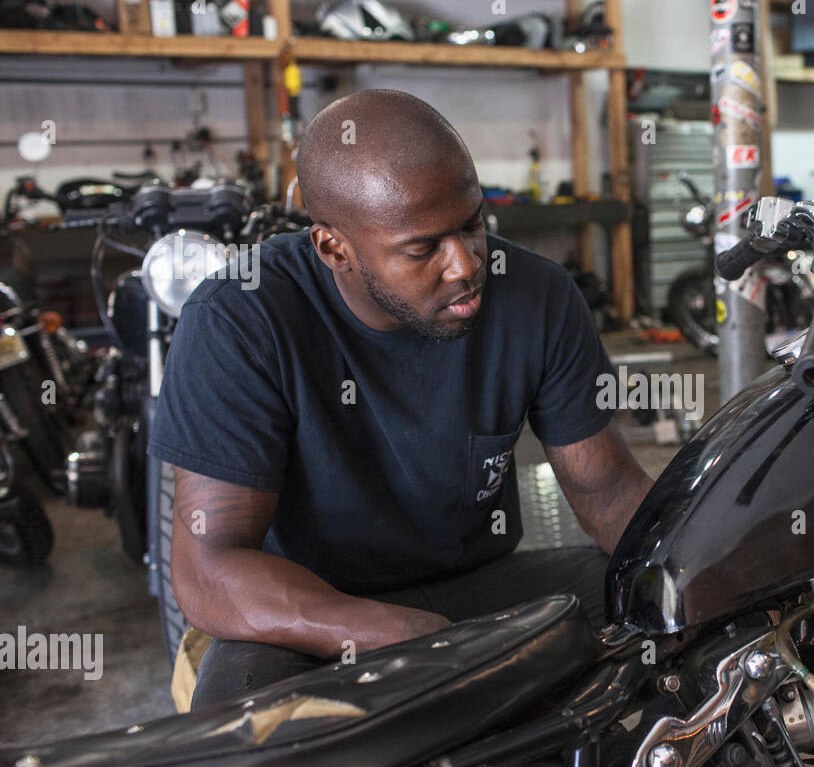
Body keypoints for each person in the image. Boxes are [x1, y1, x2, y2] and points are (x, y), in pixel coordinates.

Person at [148, 89, 653, 708]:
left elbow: (608, 492)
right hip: (311, 611)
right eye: (423, 248)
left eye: (473, 225)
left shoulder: (537, 297)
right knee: (250, 745)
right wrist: (398, 635)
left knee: (667, 619)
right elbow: (209, 567)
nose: (465, 265)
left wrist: (702, 564)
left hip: (478, 585)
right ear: (334, 248)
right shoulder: (237, 321)